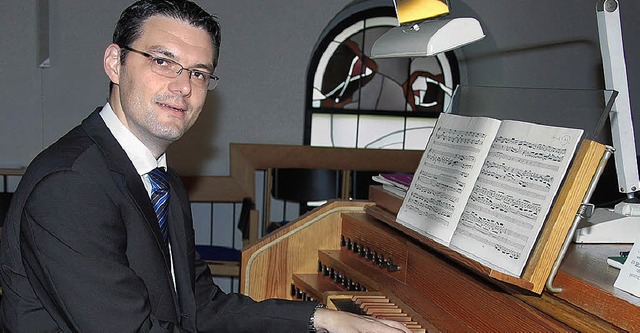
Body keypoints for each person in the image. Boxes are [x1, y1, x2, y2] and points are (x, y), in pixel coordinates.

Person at [0, 0, 413, 332]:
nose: (183, 86)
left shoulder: (161, 181)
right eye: (162, 61)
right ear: (115, 63)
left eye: (199, 73)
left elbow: (199, 306)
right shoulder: (72, 185)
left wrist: (322, 319)